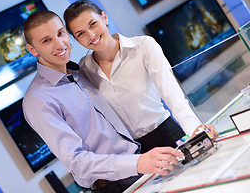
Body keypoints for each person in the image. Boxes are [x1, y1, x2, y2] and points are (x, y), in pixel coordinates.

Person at [22, 10, 184, 193]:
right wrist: (138, 163)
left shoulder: (79, 72)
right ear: (32, 50)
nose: (59, 44)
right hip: (116, 185)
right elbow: (77, 162)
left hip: (143, 167)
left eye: (60, 33)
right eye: (46, 40)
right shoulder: (37, 100)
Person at [63, 0, 219, 154]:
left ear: (104, 17)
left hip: (168, 134)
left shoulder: (143, 46)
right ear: (76, 39)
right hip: (132, 154)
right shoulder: (84, 70)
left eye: (93, 24)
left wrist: (195, 131)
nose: (91, 35)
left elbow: (173, 95)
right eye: (81, 33)